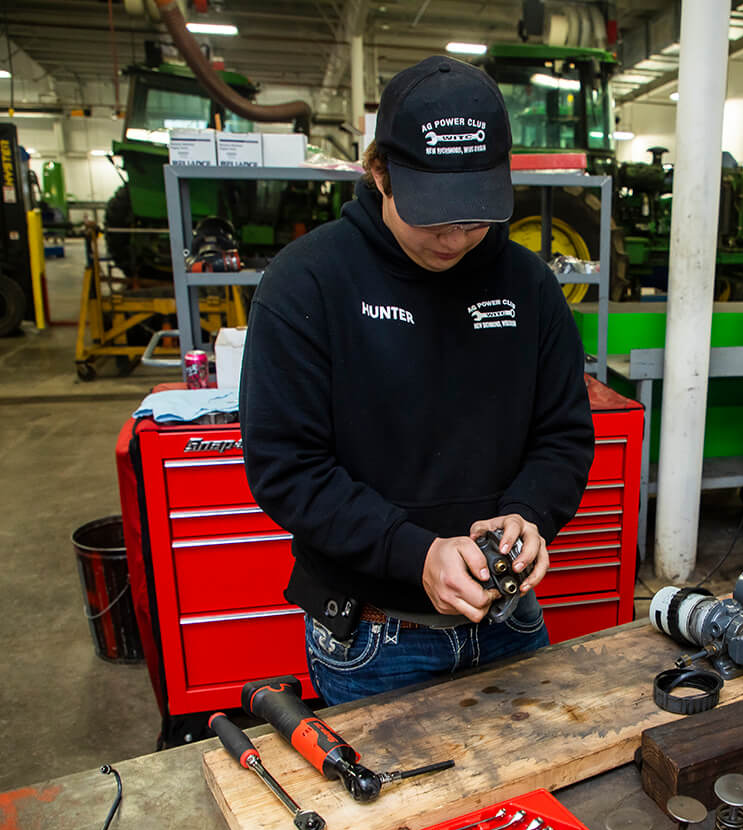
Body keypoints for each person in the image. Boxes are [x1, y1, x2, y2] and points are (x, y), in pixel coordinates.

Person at [239, 56, 594, 706]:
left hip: (509, 622)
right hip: (377, 641)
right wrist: (413, 554)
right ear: (380, 172)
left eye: (475, 215)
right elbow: (287, 466)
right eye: (434, 217)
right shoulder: (307, 285)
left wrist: (531, 513)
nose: (456, 238)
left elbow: (563, 434)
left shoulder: (530, 287)